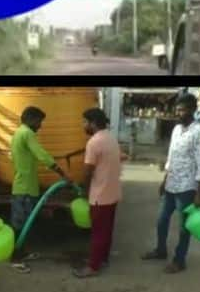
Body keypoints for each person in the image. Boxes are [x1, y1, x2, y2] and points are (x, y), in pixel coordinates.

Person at [141, 93, 200, 274]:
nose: (179, 113)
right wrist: (164, 180)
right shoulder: (176, 129)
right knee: (162, 220)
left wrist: (199, 192)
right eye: (177, 109)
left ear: (193, 110)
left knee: (184, 227)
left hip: (187, 187)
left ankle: (180, 260)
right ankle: (160, 250)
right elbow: (171, 157)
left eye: (183, 109)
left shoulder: (199, 132)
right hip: (171, 184)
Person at [10, 106, 71, 274]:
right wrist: (62, 173)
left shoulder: (18, 133)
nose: (40, 126)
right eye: (39, 121)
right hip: (24, 188)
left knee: (24, 224)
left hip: (24, 185)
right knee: (20, 225)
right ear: (30, 119)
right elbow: (42, 155)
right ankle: (15, 258)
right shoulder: (27, 133)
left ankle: (21, 252)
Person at [72, 108, 122, 278]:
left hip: (100, 195)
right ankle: (103, 258)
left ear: (93, 123)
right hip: (113, 193)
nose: (83, 125)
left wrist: (83, 192)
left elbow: (87, 171)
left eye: (84, 121)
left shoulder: (94, 142)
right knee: (106, 230)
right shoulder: (111, 138)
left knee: (98, 232)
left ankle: (93, 266)